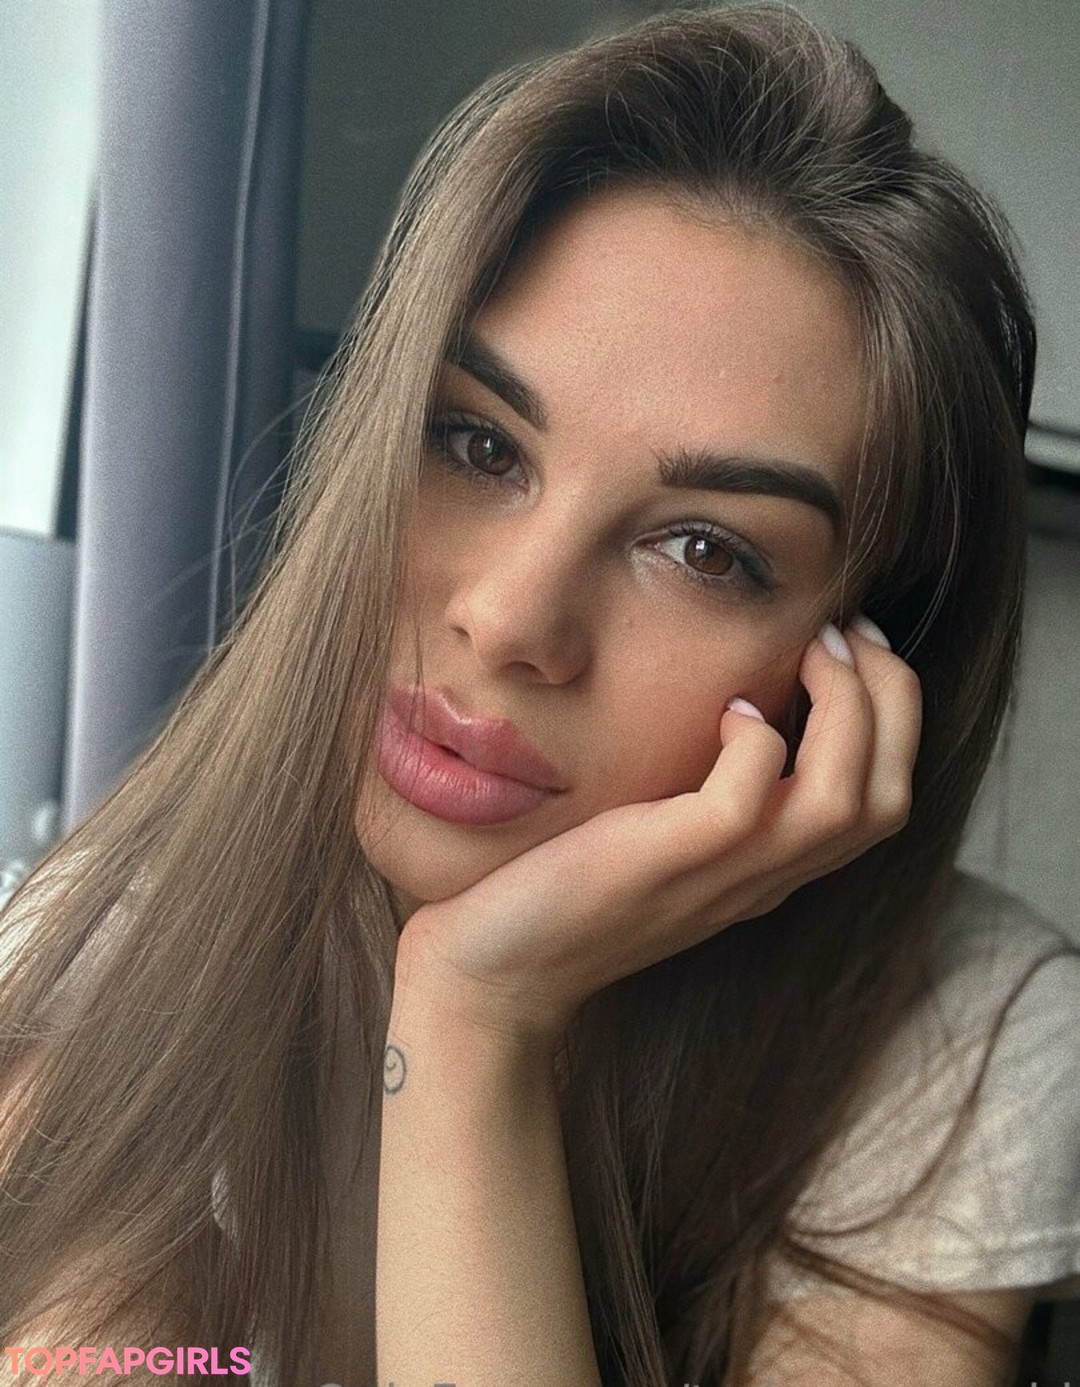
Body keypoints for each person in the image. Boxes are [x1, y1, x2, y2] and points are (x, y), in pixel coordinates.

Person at [1, 3, 1078, 1383]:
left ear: (861, 662)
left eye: (705, 550)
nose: (510, 621)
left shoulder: (960, 1038)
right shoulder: (126, 946)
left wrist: (472, 1022)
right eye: (476, 442)